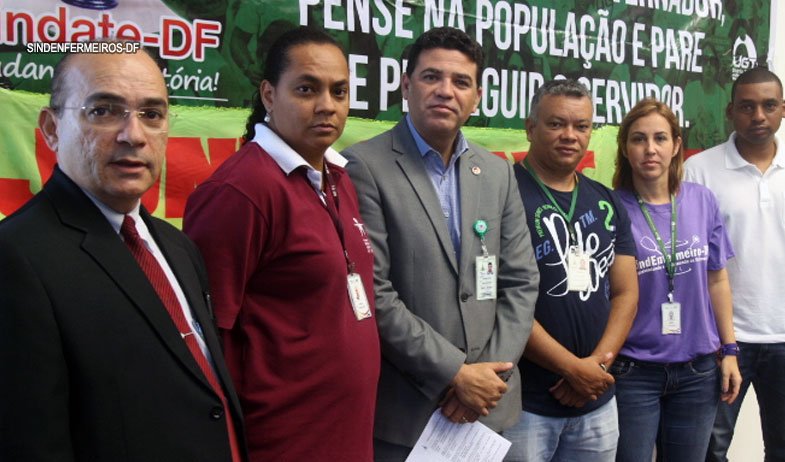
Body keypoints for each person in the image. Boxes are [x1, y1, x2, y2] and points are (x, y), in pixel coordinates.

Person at [0, 45, 245, 461]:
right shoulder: (16, 258)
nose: (134, 135)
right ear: (51, 128)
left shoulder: (178, 247)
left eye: (152, 114)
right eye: (104, 111)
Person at [341, 26, 539, 461]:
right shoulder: (363, 167)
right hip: (409, 413)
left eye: (461, 81)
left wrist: (486, 379)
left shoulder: (498, 171)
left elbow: (521, 282)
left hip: (488, 410)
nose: (445, 91)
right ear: (407, 86)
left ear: (478, 97)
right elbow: (374, 293)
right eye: (432, 77)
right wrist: (455, 374)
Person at [183, 28, 379, 461]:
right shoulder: (241, 191)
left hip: (346, 437)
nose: (327, 105)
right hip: (281, 442)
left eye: (339, 90)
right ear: (269, 95)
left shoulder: (337, 177)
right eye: (307, 89)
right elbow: (205, 339)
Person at [685, 67, 785, 462]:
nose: (758, 116)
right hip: (720, 344)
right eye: (747, 107)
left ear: (784, 109)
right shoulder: (699, 171)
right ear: (730, 111)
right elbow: (689, 262)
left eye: (769, 105)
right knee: (709, 450)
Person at [502, 79, 639, 462]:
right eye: (556, 124)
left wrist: (594, 368)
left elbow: (626, 293)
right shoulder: (503, 195)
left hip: (596, 400)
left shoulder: (606, 201)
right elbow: (501, 301)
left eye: (582, 126)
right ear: (530, 128)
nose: (570, 136)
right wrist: (572, 369)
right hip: (526, 405)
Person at [611, 98, 742, 461]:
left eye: (660, 138)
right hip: (633, 370)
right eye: (638, 139)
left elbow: (717, 281)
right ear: (625, 147)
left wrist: (730, 350)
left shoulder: (703, 201)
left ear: (676, 145)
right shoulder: (612, 208)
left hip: (698, 371)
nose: (650, 149)